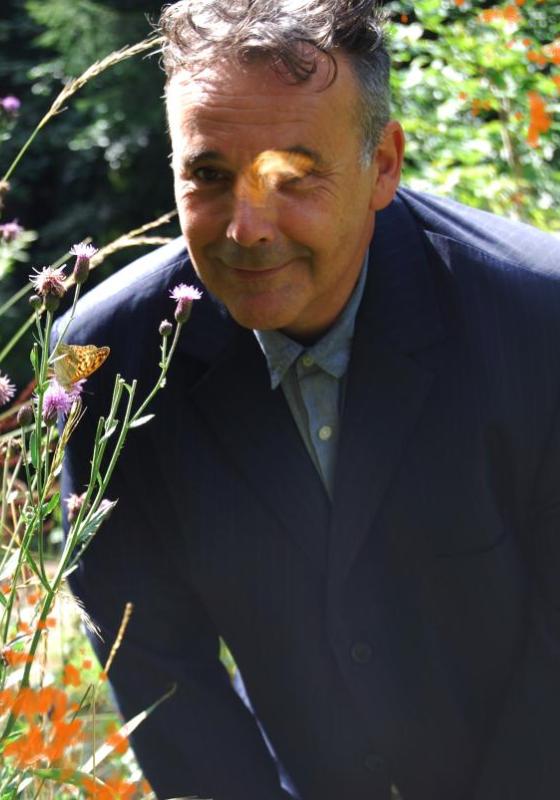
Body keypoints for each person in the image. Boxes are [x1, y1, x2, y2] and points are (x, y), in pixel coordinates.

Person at [57, 1, 560, 799]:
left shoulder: (540, 318)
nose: (246, 228)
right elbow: (156, 665)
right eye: (209, 175)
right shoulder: (107, 357)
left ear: (384, 165)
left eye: (294, 176)